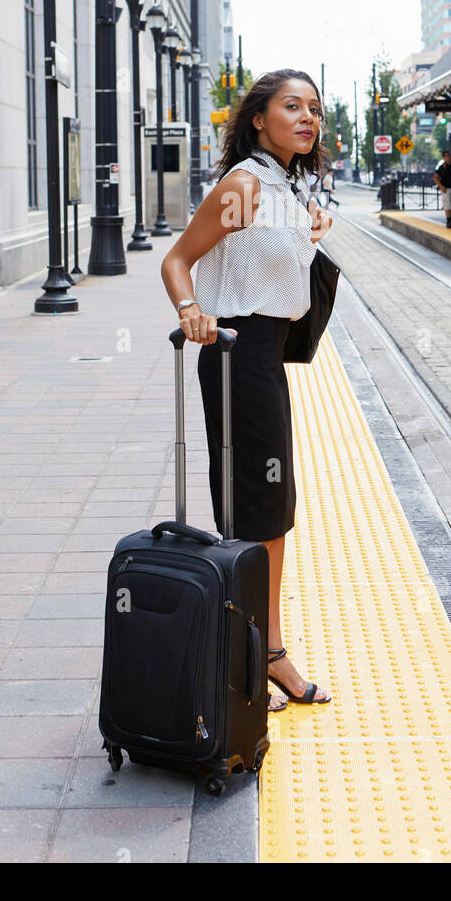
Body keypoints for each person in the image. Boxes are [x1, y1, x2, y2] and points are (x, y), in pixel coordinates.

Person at [160, 69, 333, 712]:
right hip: (235, 356)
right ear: (259, 118)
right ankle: (252, 651)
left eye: (314, 108)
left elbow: (268, 268)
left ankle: (262, 646)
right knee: (251, 508)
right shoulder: (246, 184)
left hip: (265, 362)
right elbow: (178, 261)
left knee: (271, 507)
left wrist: (310, 235)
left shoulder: (289, 186)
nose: (307, 118)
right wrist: (190, 311)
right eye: (292, 106)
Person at [434, 149, 451, 229]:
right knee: (447, 205)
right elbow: (435, 177)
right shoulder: (442, 167)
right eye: (446, 156)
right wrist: (440, 186)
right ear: (443, 157)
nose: (448, 157)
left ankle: (450, 220)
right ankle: (448, 221)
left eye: (449, 155)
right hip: (446, 188)